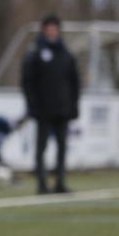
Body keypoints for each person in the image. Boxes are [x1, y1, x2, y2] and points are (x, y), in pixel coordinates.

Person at [20, 14, 80, 194]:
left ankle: (60, 182)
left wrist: (73, 106)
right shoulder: (35, 53)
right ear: (44, 30)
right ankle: (42, 183)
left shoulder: (67, 55)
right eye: (49, 28)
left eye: (55, 28)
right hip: (43, 109)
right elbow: (27, 82)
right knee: (42, 147)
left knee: (62, 147)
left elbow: (74, 83)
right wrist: (32, 105)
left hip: (62, 109)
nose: (52, 31)